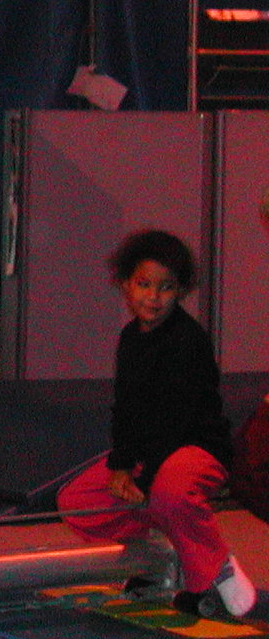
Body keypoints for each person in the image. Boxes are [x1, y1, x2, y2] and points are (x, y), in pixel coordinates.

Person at [57, 231, 255, 619]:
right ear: (125, 285)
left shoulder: (187, 341)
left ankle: (216, 568)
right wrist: (120, 466)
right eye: (144, 285)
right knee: (78, 502)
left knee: (170, 493)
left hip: (195, 448)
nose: (153, 297)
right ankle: (153, 560)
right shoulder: (130, 338)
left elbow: (178, 420)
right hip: (150, 453)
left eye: (166, 288)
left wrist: (143, 479)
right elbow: (126, 409)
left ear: (180, 291)